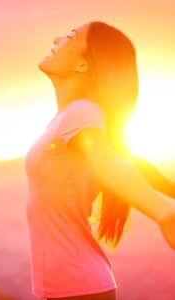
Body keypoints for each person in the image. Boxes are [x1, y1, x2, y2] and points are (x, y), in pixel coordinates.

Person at [24, 20, 175, 300]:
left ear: (83, 65)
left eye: (70, 36)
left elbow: (109, 164)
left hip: (79, 288)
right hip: (67, 287)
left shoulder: (81, 112)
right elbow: (130, 161)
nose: (58, 38)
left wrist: (162, 210)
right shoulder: (69, 118)